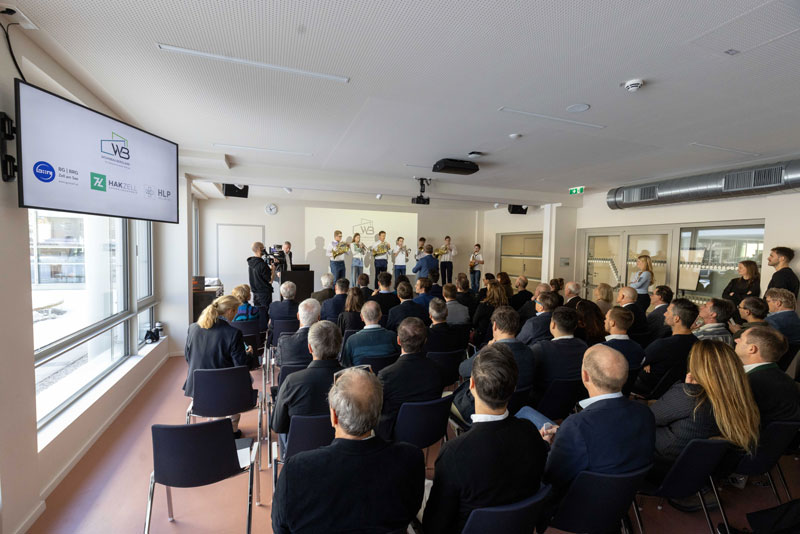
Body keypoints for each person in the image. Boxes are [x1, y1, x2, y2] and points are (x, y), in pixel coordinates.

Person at [271, 367, 424, 533]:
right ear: (378, 412)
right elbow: (411, 510)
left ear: (333, 416)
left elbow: (280, 528)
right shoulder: (411, 459)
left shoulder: (295, 471)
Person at [423, 344, 547, 534]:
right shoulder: (531, 432)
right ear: (514, 387)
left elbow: (435, 525)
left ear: (471, 385)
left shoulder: (454, 453)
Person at [535, 345, 655, 497]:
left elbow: (551, 477)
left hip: (574, 501)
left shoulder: (577, 425)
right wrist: (563, 433)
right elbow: (608, 440)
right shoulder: (645, 413)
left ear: (585, 376)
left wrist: (545, 445)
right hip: (621, 497)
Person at [649, 340, 759, 476]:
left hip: (660, 465)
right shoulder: (740, 400)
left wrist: (688, 389)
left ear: (696, 365)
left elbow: (648, 418)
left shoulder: (690, 395)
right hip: (699, 471)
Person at [271, 321, 344, 452]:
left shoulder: (292, 381)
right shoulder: (352, 379)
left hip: (300, 453)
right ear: (340, 346)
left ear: (310, 348)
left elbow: (277, 426)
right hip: (341, 450)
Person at [455, 307, 535, 421]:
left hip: (481, 410)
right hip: (516, 408)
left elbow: (462, 370)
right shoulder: (529, 352)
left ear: (495, 326)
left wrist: (485, 349)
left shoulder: (489, 353)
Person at [377, 317, 445, 439]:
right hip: (432, 429)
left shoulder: (386, 375)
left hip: (396, 435)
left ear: (398, 341)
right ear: (425, 341)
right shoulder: (438, 369)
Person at [183, 295, 256, 399]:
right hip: (224, 392)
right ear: (230, 311)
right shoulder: (234, 333)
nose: (236, 314)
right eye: (236, 311)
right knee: (248, 380)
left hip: (196, 389)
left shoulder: (192, 328)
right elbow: (241, 366)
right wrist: (249, 355)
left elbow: (188, 357)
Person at [735, 326, 800, 426]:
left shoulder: (748, 383)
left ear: (752, 349)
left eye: (741, 338)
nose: (736, 340)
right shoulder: (786, 379)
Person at [634, 299, 698, 394]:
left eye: (667, 311)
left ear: (676, 319)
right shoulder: (698, 344)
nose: (664, 314)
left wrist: (648, 360)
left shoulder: (662, 344)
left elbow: (637, 362)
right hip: (678, 391)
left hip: (649, 389)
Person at [529, 307, 588, 405]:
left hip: (543, 404)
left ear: (553, 324)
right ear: (575, 326)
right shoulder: (584, 346)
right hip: (575, 403)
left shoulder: (541, 348)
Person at [340, 301, 399, 367]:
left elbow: (345, 366)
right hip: (389, 373)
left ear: (361, 317)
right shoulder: (392, 336)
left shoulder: (351, 341)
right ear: (380, 315)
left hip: (361, 373)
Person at [275, 298, 320, 367]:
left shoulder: (283, 341)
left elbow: (279, 364)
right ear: (319, 318)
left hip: (290, 374)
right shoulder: (324, 343)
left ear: (298, 316)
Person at [603, 306, 646, 370]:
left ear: (612, 323)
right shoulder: (640, 350)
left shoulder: (601, 349)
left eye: (606, 318)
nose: (604, 321)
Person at [473, 280, 508, 345]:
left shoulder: (483, 306)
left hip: (482, 339)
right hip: (500, 339)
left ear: (490, 292)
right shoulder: (506, 306)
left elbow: (474, 322)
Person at [267, 281, 299, 345]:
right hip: (297, 343)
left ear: (281, 294)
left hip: (277, 343)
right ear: (295, 293)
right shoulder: (301, 307)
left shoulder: (273, 306)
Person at [246, 241, 275, 309]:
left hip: (255, 294)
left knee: (257, 312)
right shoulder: (262, 264)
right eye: (263, 248)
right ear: (259, 249)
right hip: (264, 295)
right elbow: (270, 281)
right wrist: (273, 270)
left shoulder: (251, 263)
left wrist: (269, 269)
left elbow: (259, 274)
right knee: (265, 313)